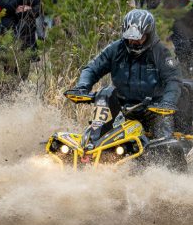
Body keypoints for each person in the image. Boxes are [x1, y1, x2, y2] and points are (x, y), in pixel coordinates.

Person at [69, 9, 182, 139]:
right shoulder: (116, 49)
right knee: (105, 93)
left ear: (148, 35)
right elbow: (92, 68)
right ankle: (93, 141)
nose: (133, 41)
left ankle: (164, 155)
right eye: (130, 37)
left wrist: (167, 102)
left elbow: (174, 79)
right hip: (123, 110)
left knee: (163, 133)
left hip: (153, 110)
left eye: (139, 37)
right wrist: (82, 86)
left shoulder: (161, 52)